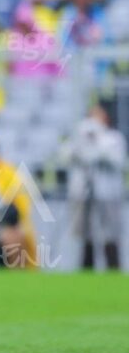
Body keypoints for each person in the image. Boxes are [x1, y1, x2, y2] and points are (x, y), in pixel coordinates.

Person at [60, 104, 126, 270]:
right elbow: (65, 156)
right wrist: (81, 141)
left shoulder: (113, 138)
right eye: (91, 116)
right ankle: (86, 267)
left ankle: (113, 267)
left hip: (108, 193)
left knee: (110, 233)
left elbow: (118, 161)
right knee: (85, 234)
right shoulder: (79, 137)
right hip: (82, 192)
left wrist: (97, 142)